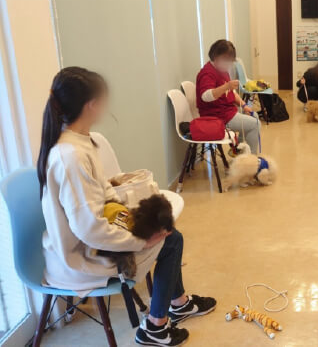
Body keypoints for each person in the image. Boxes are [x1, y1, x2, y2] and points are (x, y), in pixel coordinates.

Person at [38, 67, 215, 346]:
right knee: (170, 240)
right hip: (81, 255)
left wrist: (134, 215)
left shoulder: (80, 142)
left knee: (168, 233)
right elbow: (89, 229)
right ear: (91, 105)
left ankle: (178, 303)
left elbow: (104, 192)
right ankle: (155, 327)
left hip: (92, 238)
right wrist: (139, 241)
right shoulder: (70, 156)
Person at [196, 39, 261, 154]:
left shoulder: (222, 71)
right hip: (217, 116)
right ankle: (250, 158)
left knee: (254, 115)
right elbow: (205, 96)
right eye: (226, 61)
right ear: (216, 57)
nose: (229, 65)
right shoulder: (207, 73)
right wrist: (226, 86)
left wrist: (244, 105)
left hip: (227, 111)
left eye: (230, 61)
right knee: (255, 124)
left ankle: (239, 151)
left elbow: (232, 93)